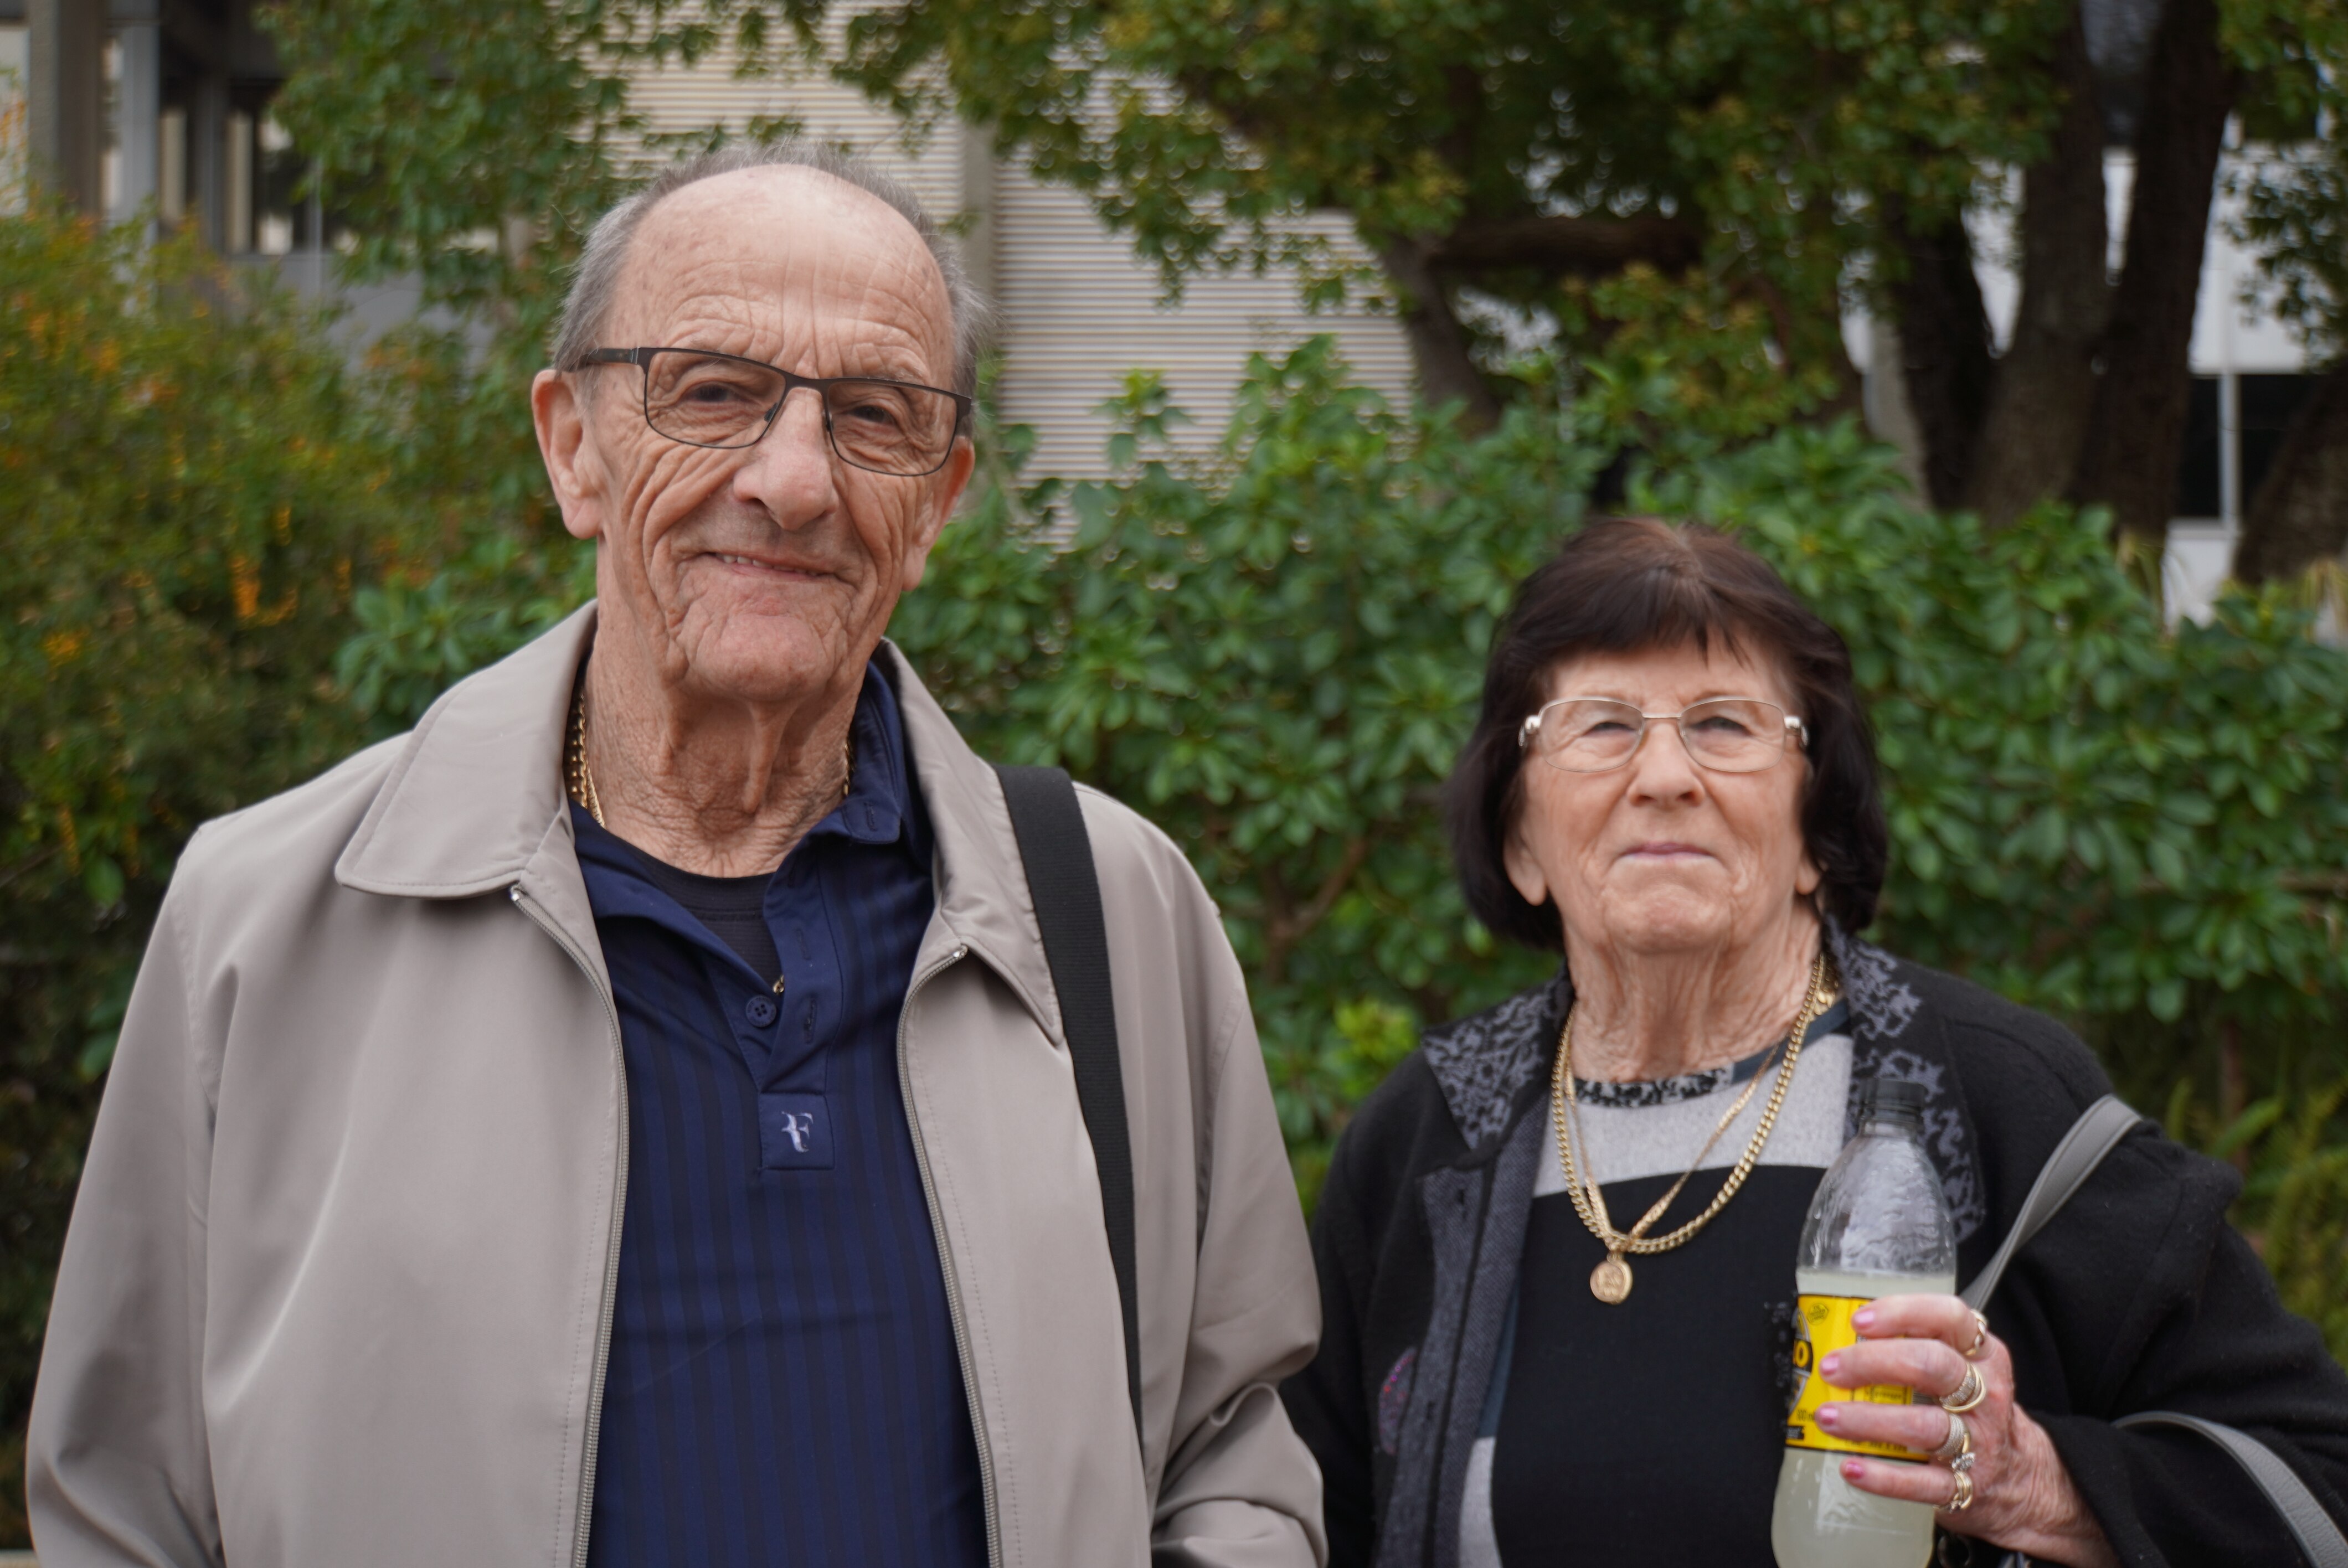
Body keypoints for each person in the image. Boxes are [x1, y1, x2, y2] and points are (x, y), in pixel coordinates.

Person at [28, 143, 1324, 1568]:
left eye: (874, 417)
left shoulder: (1104, 905)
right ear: (573, 446)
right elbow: (121, 1508)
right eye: (712, 394)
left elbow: (1229, 1451)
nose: (791, 482)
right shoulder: (270, 917)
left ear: (940, 497)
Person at [1281, 517, 2348, 1566]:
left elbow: (2315, 1481)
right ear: (1521, 841)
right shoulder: (1425, 1143)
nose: (1664, 774)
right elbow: (1296, 1519)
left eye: (1726, 726)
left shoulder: (1995, 1100)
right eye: (1603, 725)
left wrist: (2040, 1484)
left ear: (1814, 835)